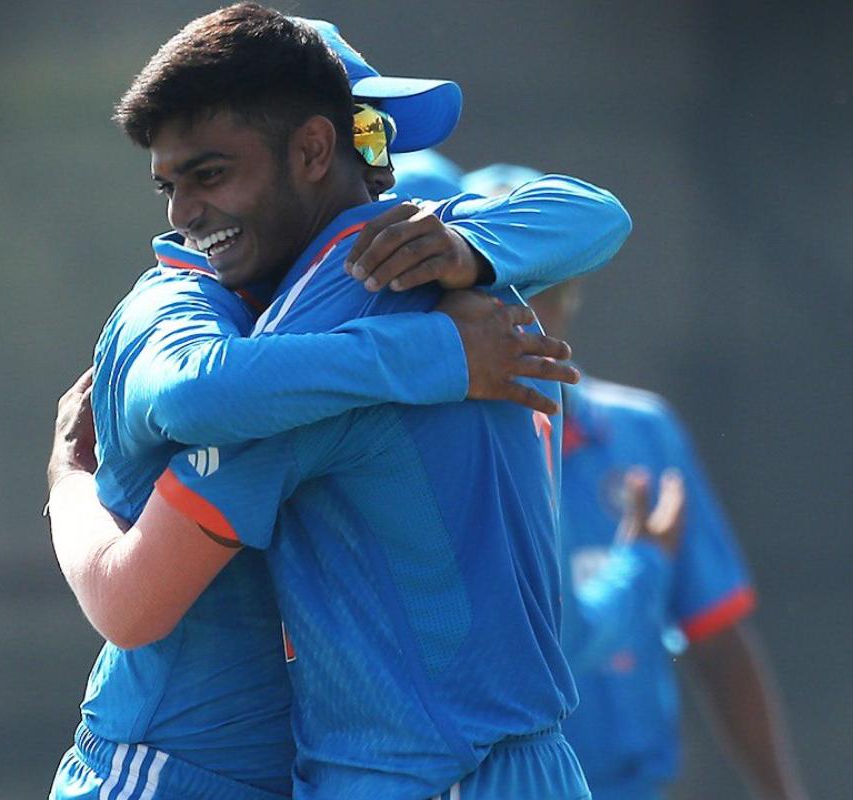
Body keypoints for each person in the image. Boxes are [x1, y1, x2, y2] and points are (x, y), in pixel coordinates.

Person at [47, 5, 632, 798]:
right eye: (372, 131)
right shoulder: (268, 335)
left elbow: (594, 212)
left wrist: (473, 251)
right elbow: (134, 584)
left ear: (312, 149)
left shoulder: (434, 265)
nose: (388, 163)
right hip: (170, 771)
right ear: (322, 145)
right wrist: (67, 485)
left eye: (379, 133)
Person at [415, 159, 809, 800]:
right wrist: (642, 566)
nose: (532, 309)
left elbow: (716, 634)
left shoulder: (640, 433)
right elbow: (549, 643)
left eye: (551, 284)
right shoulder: (427, 440)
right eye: (507, 282)